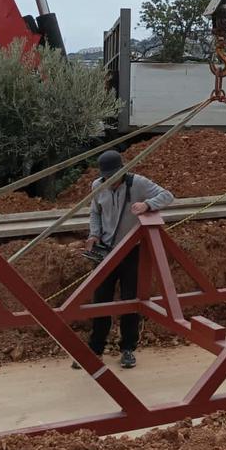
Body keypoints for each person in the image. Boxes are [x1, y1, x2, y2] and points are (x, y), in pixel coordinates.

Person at [77, 149, 175, 370]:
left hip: (132, 251)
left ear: (122, 170)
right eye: (106, 177)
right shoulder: (97, 186)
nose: (110, 181)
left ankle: (128, 349)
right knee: (100, 300)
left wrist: (147, 205)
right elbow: (95, 212)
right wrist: (94, 234)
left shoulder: (138, 183)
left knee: (131, 300)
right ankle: (96, 349)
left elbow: (168, 196)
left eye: (113, 176)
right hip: (106, 251)